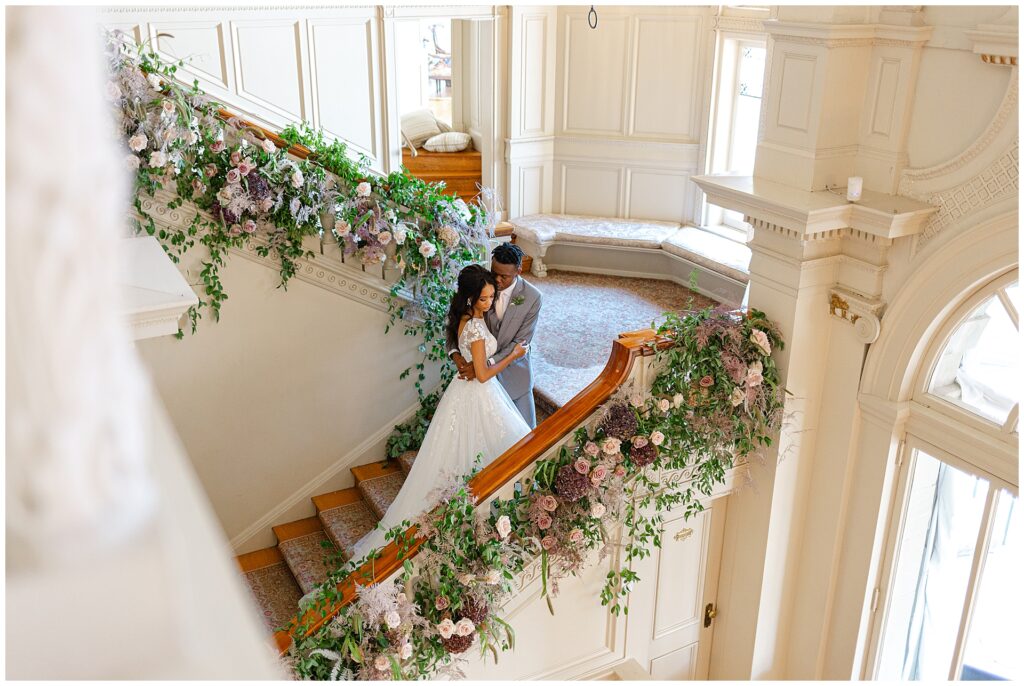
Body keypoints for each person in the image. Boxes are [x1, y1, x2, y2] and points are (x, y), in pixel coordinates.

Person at [347, 265, 530, 561]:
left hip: (463, 394)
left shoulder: (464, 318)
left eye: (491, 296)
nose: (490, 302)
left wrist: (465, 357)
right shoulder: (474, 326)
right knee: (488, 451)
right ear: (471, 298)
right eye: (484, 299)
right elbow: (483, 375)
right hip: (479, 394)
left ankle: (485, 520)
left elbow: (468, 355)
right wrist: (513, 355)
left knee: (472, 453)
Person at [449, 243, 543, 428]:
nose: (497, 280)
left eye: (504, 276)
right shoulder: (481, 286)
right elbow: (456, 319)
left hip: (515, 377)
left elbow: (520, 343)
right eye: (494, 273)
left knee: (525, 434)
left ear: (519, 270)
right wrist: (455, 354)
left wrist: (483, 366)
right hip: (479, 385)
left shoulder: (533, 297)